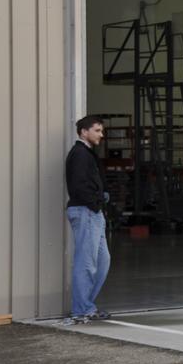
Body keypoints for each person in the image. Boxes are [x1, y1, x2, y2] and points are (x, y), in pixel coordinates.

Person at [65, 115, 112, 323]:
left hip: (93, 212)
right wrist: (95, 201)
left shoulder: (87, 154)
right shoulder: (79, 154)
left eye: (101, 131)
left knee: (102, 261)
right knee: (86, 263)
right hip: (85, 211)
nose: (101, 135)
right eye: (97, 130)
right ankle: (81, 309)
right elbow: (77, 186)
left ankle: (86, 306)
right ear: (84, 132)